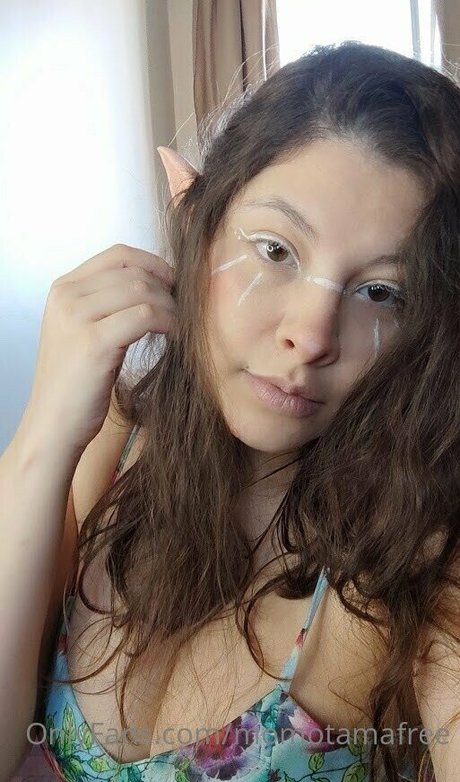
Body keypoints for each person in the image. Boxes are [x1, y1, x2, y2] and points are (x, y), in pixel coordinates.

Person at [1, 40, 459, 782]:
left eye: (381, 292)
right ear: (199, 221)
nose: (310, 336)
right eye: (276, 250)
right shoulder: (119, 444)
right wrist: (41, 438)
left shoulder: (421, 553)